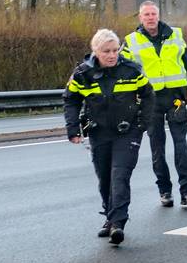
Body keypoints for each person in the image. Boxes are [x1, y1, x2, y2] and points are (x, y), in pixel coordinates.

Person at [64, 29, 154, 245]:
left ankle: (118, 223)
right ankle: (109, 217)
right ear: (95, 51)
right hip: (99, 132)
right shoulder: (82, 73)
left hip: (127, 132)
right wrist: (73, 128)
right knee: (105, 178)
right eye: (106, 51)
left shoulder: (131, 70)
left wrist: (143, 124)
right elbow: (71, 100)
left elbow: (148, 95)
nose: (112, 55)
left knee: (119, 175)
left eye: (115, 50)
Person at [122, 1, 187, 208]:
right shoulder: (131, 41)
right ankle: (164, 191)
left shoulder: (175, 35)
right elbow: (124, 71)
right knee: (157, 148)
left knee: (180, 145)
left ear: (158, 15)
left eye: (153, 14)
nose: (150, 17)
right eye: (146, 14)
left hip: (175, 97)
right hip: (150, 101)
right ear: (140, 17)